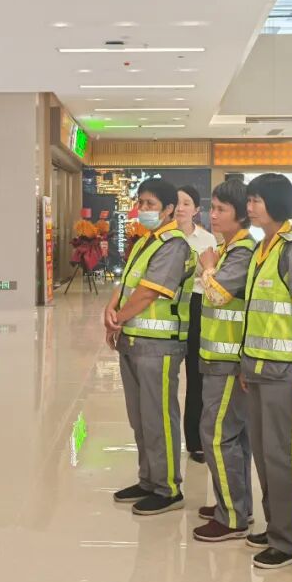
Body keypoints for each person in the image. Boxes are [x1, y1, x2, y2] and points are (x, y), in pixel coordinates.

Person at [240, 173, 292, 569]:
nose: (250, 207)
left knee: (285, 456)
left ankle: (290, 541)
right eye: (249, 200)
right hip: (257, 368)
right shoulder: (263, 249)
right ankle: (276, 526)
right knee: (264, 452)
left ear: (277, 203)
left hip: (286, 372)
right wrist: (245, 363)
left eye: (256, 200)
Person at [106, 178, 196, 516]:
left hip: (158, 346)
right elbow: (127, 284)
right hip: (133, 341)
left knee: (158, 417)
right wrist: (111, 309)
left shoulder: (174, 245)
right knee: (140, 417)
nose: (143, 209)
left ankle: (168, 488)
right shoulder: (146, 241)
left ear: (169, 209)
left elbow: (149, 292)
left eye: (150, 204)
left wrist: (118, 318)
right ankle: (148, 479)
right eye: (140, 203)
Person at [191, 179, 257, 542]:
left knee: (217, 435)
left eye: (221, 209)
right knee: (233, 435)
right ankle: (236, 504)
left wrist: (207, 268)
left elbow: (217, 295)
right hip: (220, 356)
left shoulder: (242, 251)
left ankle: (231, 517)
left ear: (242, 214)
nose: (212, 215)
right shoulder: (227, 248)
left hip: (230, 360)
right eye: (212, 208)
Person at [175, 185, 218, 463]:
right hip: (168, 307)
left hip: (197, 305)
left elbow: (211, 276)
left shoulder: (207, 238)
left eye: (187, 203)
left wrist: (204, 269)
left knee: (196, 376)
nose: (180, 208)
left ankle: (196, 441)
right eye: (177, 203)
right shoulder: (163, 236)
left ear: (196, 209)